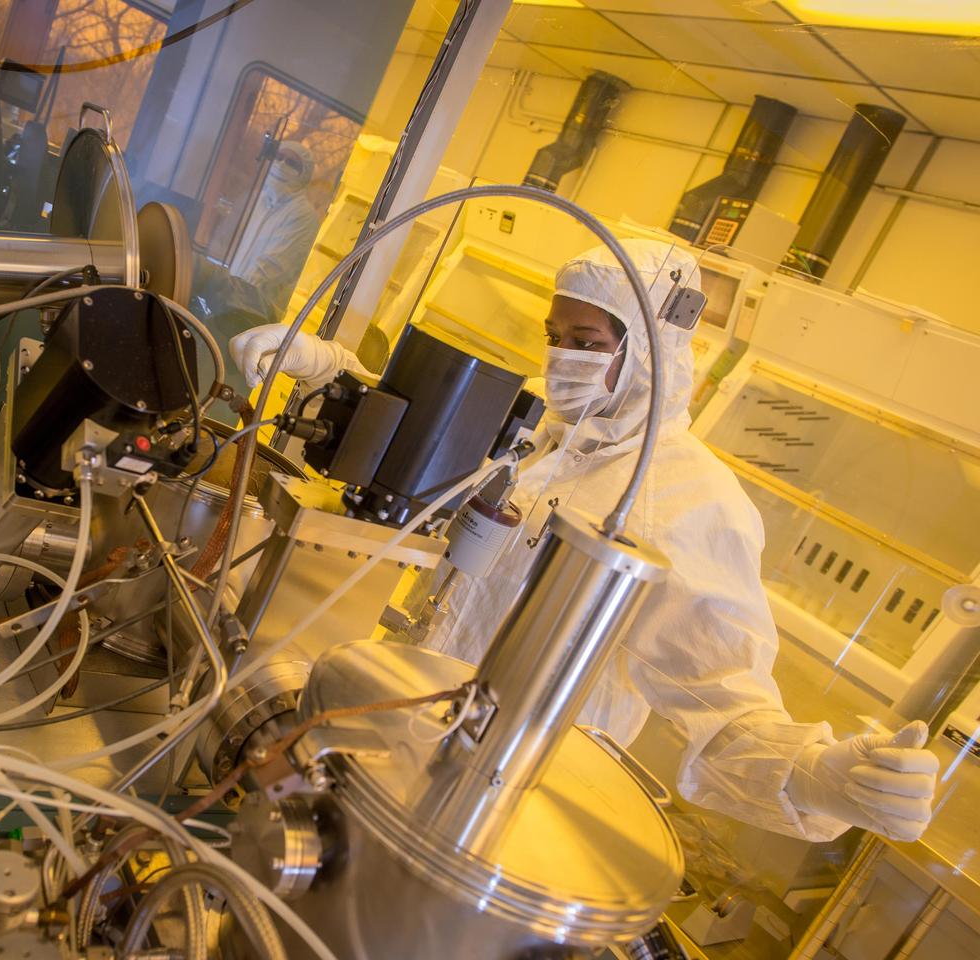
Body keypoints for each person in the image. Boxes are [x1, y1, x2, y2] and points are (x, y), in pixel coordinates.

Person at [228, 238, 939, 844]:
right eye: (556, 337)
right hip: (409, 736)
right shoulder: (549, 435)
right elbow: (437, 453)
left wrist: (817, 776)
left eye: (588, 344)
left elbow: (723, 706)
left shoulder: (692, 502)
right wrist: (332, 373)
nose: (562, 359)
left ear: (649, 352)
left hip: (517, 796)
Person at [227, 141, 321, 318]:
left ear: (304, 174)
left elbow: (273, 267)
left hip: (256, 309)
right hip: (232, 294)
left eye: (292, 163)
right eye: (279, 157)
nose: (281, 165)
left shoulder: (304, 215)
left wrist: (235, 292)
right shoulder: (259, 199)